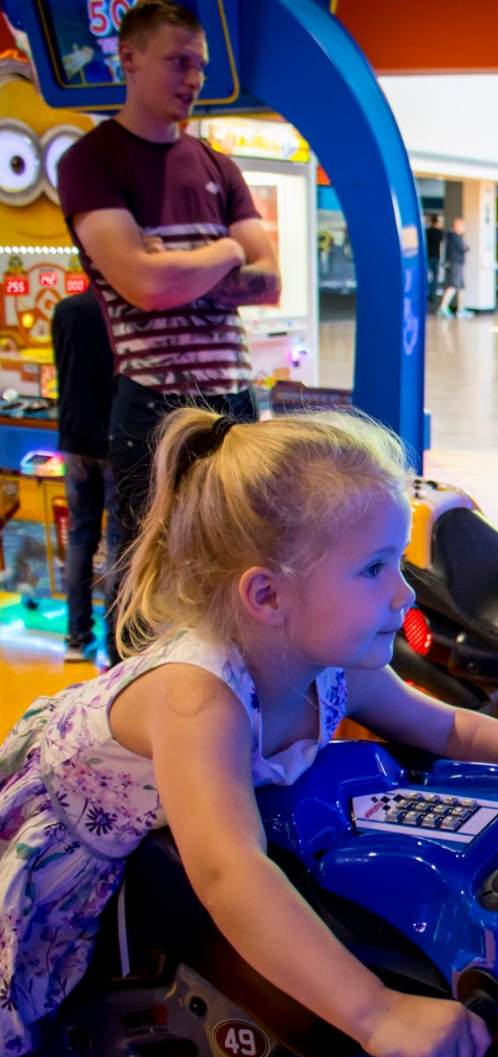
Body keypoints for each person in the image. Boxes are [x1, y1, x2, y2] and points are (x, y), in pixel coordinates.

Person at [0, 409, 498, 1057]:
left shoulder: (327, 661)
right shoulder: (200, 698)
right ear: (267, 594)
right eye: (375, 568)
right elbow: (231, 872)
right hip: (52, 854)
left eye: (399, 561)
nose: (403, 593)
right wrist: (378, 1012)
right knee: (12, 1051)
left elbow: (452, 728)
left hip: (145, 832)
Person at [55, 0, 283, 655]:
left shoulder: (218, 166)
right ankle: (132, 718)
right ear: (128, 58)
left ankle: (229, 695)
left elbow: (270, 283)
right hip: (152, 403)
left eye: (201, 67)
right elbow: (143, 285)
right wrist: (225, 252)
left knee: (242, 559)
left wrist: (174, 265)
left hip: (235, 400)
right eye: (178, 62)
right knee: (141, 571)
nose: (192, 79)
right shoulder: (91, 162)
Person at [50, 294, 120, 664]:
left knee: (80, 536)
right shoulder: (121, 309)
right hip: (114, 437)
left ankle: (76, 635)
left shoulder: (64, 310)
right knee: (117, 540)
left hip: (73, 437)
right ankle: (116, 643)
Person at [437, 217, 470, 318]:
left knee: (460, 287)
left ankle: (461, 309)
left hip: (457, 264)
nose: (463, 228)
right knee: (453, 286)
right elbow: (463, 248)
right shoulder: (453, 237)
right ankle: (442, 308)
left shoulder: (456, 237)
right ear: (456, 226)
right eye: (461, 225)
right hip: (454, 264)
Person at [425, 212, 445, 296]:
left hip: (428, 255)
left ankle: (427, 290)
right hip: (436, 255)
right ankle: (432, 293)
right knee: (435, 275)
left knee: (426, 274)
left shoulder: (427, 232)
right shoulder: (439, 232)